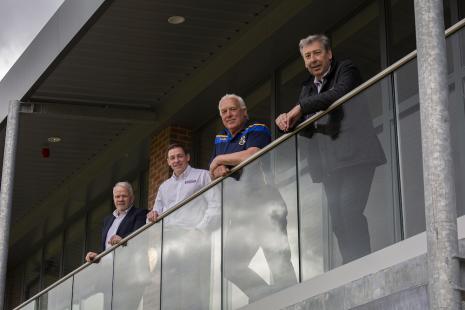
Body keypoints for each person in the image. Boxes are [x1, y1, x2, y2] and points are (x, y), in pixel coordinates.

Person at [275, 34, 385, 263]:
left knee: (349, 211)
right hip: (328, 164)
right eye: (307, 56)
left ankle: (363, 265)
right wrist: (287, 121)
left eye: (317, 53)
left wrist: (300, 108)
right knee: (338, 222)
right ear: (304, 61)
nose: (313, 59)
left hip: (356, 155)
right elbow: (307, 128)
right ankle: (351, 266)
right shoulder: (306, 87)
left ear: (329, 54)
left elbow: (338, 94)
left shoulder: (346, 69)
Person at [210, 94, 297, 303]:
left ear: (244, 111)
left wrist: (220, 159)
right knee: (231, 266)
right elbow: (212, 172)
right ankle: (267, 298)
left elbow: (251, 154)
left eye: (232, 109)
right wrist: (217, 167)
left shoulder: (257, 127)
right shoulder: (220, 138)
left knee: (278, 259)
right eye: (223, 112)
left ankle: (296, 302)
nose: (228, 115)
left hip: (265, 203)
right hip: (239, 211)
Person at [147, 144, 220, 310]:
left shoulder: (202, 176)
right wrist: (152, 216)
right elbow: (155, 213)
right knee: (169, 290)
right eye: (172, 158)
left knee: (194, 286)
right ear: (167, 162)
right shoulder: (164, 187)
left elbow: (215, 204)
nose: (176, 160)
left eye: (179, 156)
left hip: (192, 238)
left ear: (188, 157)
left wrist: (200, 230)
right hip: (169, 243)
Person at [85, 181, 147, 262]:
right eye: (117, 197)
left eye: (124, 196)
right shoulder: (107, 220)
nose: (120, 199)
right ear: (114, 199)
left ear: (132, 198)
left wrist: (123, 240)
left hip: (129, 262)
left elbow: (140, 236)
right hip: (108, 266)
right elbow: (106, 248)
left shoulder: (140, 213)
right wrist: (97, 256)